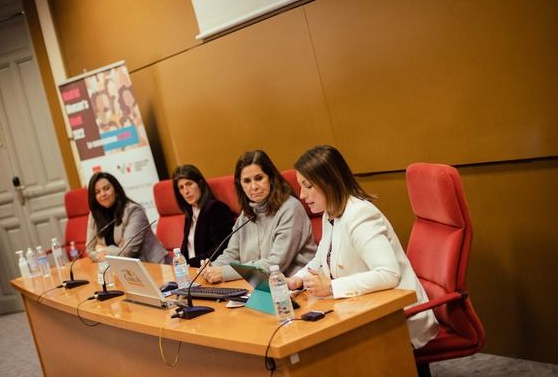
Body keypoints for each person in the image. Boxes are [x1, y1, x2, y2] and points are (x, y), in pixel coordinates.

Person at [287, 145, 439, 349]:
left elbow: (388, 274)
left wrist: (331, 287)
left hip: (398, 317)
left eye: (307, 186)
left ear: (329, 182)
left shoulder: (360, 214)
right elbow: (321, 258)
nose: (302, 195)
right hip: (366, 308)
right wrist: (297, 280)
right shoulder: (330, 213)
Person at [200, 150, 316, 283]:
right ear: (240, 184)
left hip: (297, 286)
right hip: (257, 285)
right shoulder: (246, 214)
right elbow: (231, 254)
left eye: (259, 178)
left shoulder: (291, 208)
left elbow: (275, 264)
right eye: (247, 181)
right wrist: (211, 267)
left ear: (271, 178)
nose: (253, 187)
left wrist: (224, 272)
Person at [86, 172, 168, 263]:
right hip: (122, 268)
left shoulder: (133, 211)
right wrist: (114, 251)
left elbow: (127, 253)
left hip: (153, 265)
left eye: (106, 188)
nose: (103, 194)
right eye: (97, 192)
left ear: (116, 189)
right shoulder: (95, 215)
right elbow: (89, 250)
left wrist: (101, 249)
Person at [172, 165, 235, 267]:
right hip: (190, 270)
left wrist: (189, 263)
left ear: (200, 183)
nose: (186, 191)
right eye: (181, 187)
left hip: (210, 268)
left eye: (189, 184)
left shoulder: (216, 208)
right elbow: (187, 248)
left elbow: (222, 248)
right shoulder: (190, 213)